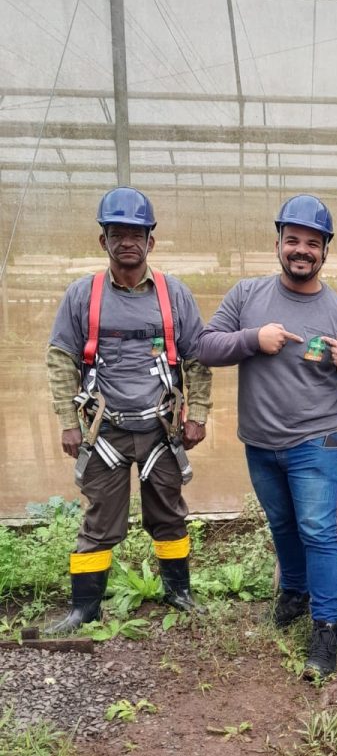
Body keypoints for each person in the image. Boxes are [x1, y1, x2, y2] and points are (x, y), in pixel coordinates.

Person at [194, 194, 337, 678]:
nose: (301, 250)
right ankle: (293, 592)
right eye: (292, 240)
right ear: (278, 244)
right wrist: (252, 340)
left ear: (325, 251)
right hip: (259, 443)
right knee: (282, 526)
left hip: (313, 445)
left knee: (318, 532)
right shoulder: (246, 295)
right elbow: (205, 347)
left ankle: (326, 629)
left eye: (311, 243)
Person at [46, 187, 212, 633]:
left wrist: (197, 415)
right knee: (99, 519)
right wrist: (67, 422)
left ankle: (178, 592)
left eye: (136, 234)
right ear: (103, 240)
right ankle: (85, 608)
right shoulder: (83, 295)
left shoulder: (174, 294)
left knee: (170, 514)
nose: (127, 242)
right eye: (116, 234)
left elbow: (197, 356)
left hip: (161, 431)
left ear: (150, 241)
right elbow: (61, 357)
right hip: (106, 432)